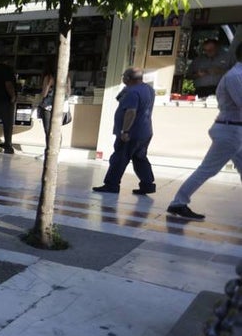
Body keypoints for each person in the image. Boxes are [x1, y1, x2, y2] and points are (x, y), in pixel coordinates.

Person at [166, 45, 242, 220]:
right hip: (230, 131)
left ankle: (179, 202)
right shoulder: (235, 76)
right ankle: (178, 202)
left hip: (234, 129)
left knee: (208, 169)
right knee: (207, 169)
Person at [93, 68, 156, 195]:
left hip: (131, 133)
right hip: (145, 131)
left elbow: (131, 112)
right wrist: (126, 89)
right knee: (140, 158)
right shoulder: (148, 89)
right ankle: (148, 184)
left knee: (119, 158)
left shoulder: (132, 92)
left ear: (128, 78)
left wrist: (125, 131)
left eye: (123, 76)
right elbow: (119, 99)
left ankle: (111, 184)